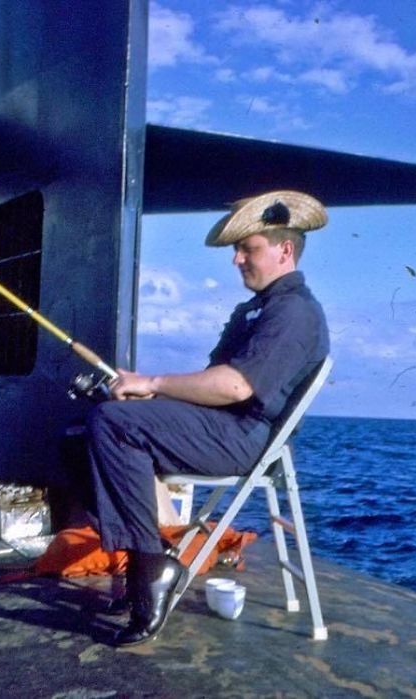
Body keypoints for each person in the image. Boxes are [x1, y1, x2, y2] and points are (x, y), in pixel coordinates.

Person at [86, 190, 330, 646]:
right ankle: (140, 564)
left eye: (248, 248)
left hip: (246, 438)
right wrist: (151, 403)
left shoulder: (294, 312)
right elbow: (214, 381)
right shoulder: (257, 309)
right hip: (223, 426)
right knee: (81, 432)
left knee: (111, 423)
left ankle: (150, 564)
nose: (237, 259)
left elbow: (237, 386)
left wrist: (153, 384)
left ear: (285, 250)